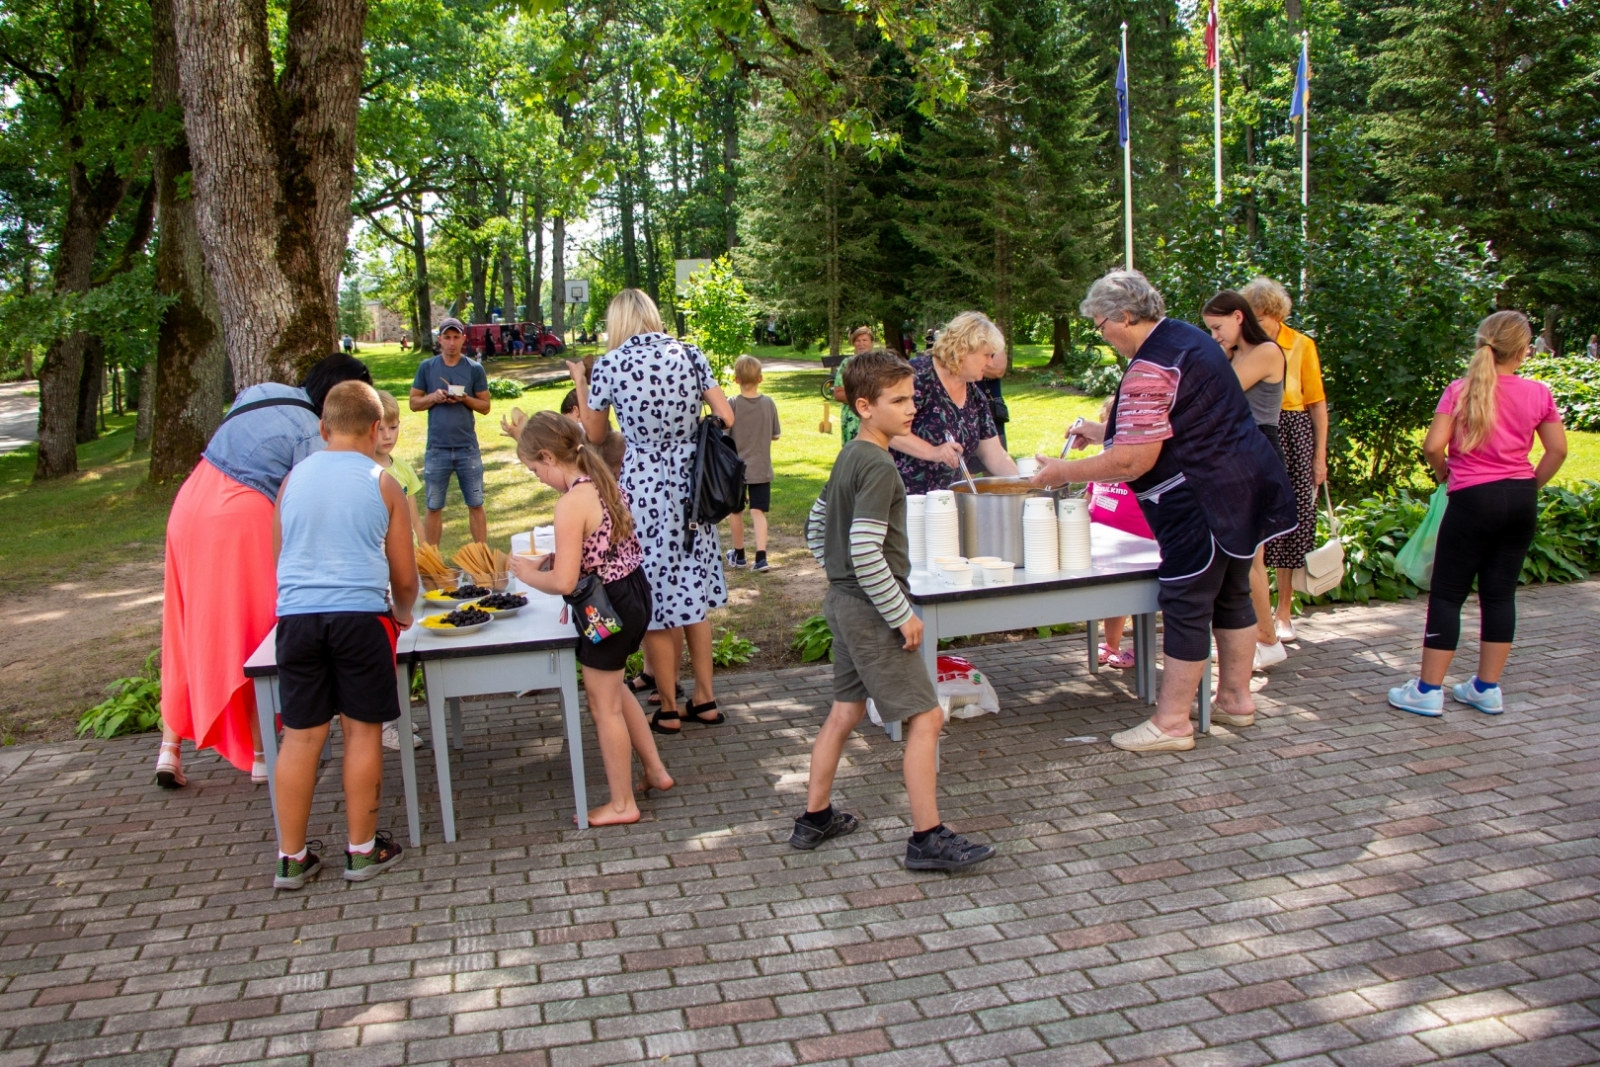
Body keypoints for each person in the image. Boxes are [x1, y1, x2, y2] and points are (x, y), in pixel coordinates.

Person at [1031, 270, 1296, 753]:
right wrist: (1102, 433)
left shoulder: (1151, 365)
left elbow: (1135, 459)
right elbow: (1172, 423)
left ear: (1125, 316)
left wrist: (1063, 473)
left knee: (1187, 601)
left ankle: (1172, 722)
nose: (1101, 334)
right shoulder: (1189, 338)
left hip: (1202, 499)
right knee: (1232, 593)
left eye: (1101, 323)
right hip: (1246, 483)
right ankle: (1236, 700)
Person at [797, 349, 995, 871]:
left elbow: (815, 527)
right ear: (864, 405)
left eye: (912, 397)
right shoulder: (881, 466)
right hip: (871, 609)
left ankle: (814, 818)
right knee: (926, 716)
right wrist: (899, 613)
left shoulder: (850, 455)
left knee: (846, 710)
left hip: (844, 603)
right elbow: (865, 549)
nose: (912, 408)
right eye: (899, 400)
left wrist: (837, 576)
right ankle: (926, 838)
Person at [156, 353, 373, 789]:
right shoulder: (314, 433)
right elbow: (321, 503)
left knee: (186, 625)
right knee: (259, 631)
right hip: (242, 513)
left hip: (191, 501)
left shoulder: (264, 392)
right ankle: (260, 753)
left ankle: (169, 747)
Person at [269, 381, 417, 890]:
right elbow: (404, 576)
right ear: (377, 430)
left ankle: (291, 857)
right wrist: (402, 614)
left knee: (301, 736)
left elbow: (279, 558)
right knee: (362, 731)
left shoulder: (291, 481)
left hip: (297, 619)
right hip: (360, 619)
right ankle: (362, 849)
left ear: (323, 428)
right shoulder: (383, 482)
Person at [572, 288, 735, 733]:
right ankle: (705, 699)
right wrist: (686, 436)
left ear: (619, 322)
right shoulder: (689, 353)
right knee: (693, 596)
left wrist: (580, 384)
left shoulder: (611, 364)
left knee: (658, 597)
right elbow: (726, 416)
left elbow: (596, 433)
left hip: (643, 484)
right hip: (693, 485)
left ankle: (667, 707)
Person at [1388, 311, 1567, 718]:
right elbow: (1557, 451)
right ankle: (1486, 688)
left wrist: (1445, 474)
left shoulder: (1461, 390)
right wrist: (1528, 485)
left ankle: (1428, 690)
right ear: (1523, 351)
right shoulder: (1539, 393)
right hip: (1520, 498)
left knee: (1449, 594)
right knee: (1500, 594)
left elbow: (1434, 445)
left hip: (1472, 498)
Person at [510, 412, 674, 824]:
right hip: (633, 593)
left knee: (604, 708)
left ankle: (622, 804)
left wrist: (530, 574)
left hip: (605, 606)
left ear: (548, 456)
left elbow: (565, 582)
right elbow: (598, 548)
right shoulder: (601, 481)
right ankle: (655, 771)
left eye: (534, 470)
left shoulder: (570, 503)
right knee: (614, 690)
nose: (537, 478)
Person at [1202, 290, 1290, 672]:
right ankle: (1258, 637)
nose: (1215, 336)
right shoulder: (1233, 353)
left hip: (1257, 453)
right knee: (1244, 556)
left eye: (1217, 327)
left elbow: (1220, 393)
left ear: (1239, 317)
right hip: (1234, 455)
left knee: (1250, 556)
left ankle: (1267, 640)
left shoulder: (1267, 352)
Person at [1243, 277, 1329, 642]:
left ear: (1276, 315)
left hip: (1293, 430)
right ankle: (1259, 615)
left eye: (1260, 317)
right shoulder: (1245, 346)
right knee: (1262, 523)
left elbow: (1317, 402)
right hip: (1261, 428)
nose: (1255, 324)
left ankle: (1283, 612)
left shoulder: (1301, 345)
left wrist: (1320, 454)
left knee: (1294, 520)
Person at [892, 311, 1020, 495]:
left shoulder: (975, 395)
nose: (991, 363)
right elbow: (886, 427)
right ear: (964, 349)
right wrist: (933, 452)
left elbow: (995, 455)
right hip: (904, 501)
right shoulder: (915, 376)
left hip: (948, 506)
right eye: (987, 355)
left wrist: (1027, 487)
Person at [1084, 402, 1156, 670]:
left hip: (1139, 545)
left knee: (1138, 601)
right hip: (1106, 546)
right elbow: (1091, 494)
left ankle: (1140, 648)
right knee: (1113, 599)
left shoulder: (1137, 463)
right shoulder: (1102, 464)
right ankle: (1110, 642)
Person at [410, 317, 492, 546]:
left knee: (476, 503)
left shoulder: (474, 369)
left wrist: (465, 398)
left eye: (456, 337)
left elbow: (486, 407)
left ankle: (481, 557)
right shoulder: (427, 367)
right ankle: (432, 560)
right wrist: (433, 397)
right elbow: (413, 403)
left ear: (463, 339)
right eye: (447, 337)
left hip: (467, 448)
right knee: (434, 505)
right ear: (440, 340)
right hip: (437, 448)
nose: (452, 342)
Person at [726, 355, 781, 572]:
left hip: (736, 470)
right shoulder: (768, 403)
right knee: (758, 512)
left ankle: (739, 555)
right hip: (761, 468)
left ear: (736, 379)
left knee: (736, 511)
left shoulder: (732, 404)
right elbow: (775, 435)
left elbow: (725, 435)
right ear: (761, 378)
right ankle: (761, 558)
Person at [830, 326, 878, 445]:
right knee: (852, 454)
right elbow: (838, 394)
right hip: (852, 418)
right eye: (858, 340)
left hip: (876, 416)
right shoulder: (846, 365)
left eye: (865, 340)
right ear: (853, 344)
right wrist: (866, 398)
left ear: (871, 343)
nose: (861, 343)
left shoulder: (880, 364)